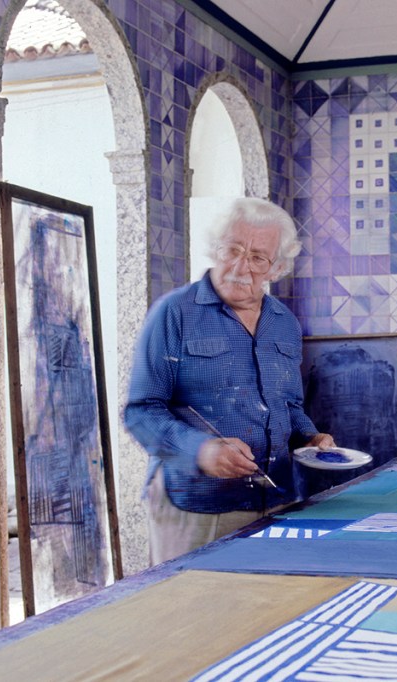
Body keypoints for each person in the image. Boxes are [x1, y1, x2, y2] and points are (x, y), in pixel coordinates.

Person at [124, 197, 335, 564]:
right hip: (196, 505)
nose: (241, 266)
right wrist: (202, 451)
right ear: (215, 249)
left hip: (277, 499)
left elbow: (288, 405)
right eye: (232, 250)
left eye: (258, 258)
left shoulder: (284, 322)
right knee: (194, 614)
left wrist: (311, 437)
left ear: (277, 267)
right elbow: (142, 411)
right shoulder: (173, 313)